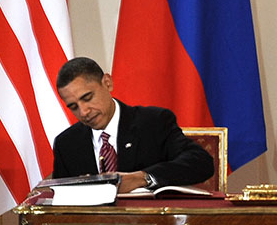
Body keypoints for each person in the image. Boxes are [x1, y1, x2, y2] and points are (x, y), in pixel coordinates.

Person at [52, 56, 214, 193]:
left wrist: (143, 178)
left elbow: (200, 163)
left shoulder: (154, 122)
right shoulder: (66, 144)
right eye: (73, 107)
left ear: (107, 83)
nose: (83, 112)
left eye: (87, 98)